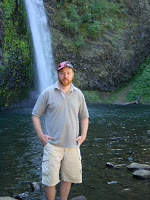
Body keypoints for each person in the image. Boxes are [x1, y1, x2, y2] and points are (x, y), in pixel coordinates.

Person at [32, 61, 89, 200]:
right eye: (62, 73)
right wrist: (41, 135)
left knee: (68, 178)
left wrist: (83, 136)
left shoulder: (78, 94)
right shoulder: (48, 93)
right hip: (52, 146)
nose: (65, 76)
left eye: (68, 73)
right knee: (50, 181)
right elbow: (35, 115)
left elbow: (84, 116)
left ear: (72, 75)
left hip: (72, 146)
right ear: (58, 74)